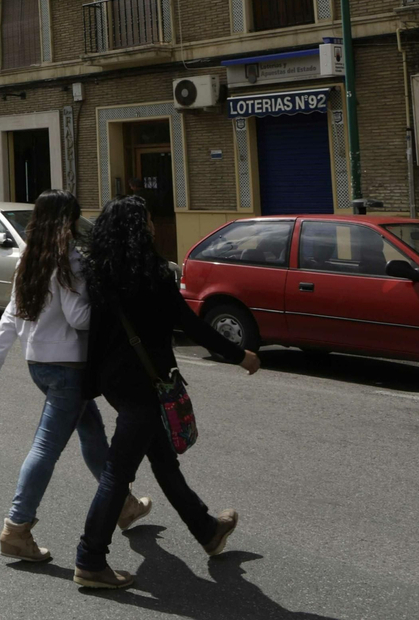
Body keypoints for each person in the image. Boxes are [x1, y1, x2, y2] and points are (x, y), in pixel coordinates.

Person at [72, 196, 261, 591]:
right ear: (140, 229)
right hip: (145, 383)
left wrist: (90, 384)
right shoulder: (155, 275)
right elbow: (190, 326)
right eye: (148, 221)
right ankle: (90, 559)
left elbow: (95, 337)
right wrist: (239, 355)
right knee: (116, 474)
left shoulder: (100, 273)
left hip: (116, 383)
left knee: (163, 460)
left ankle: (207, 530)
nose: (154, 227)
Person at [0, 190, 150, 564]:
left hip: (39, 364)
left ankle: (124, 505)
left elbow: (13, 312)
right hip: (68, 368)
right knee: (46, 447)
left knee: (90, 430)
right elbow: (78, 318)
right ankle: (17, 527)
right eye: (74, 219)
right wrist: (115, 314)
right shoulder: (68, 259)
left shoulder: (30, 257)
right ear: (67, 221)